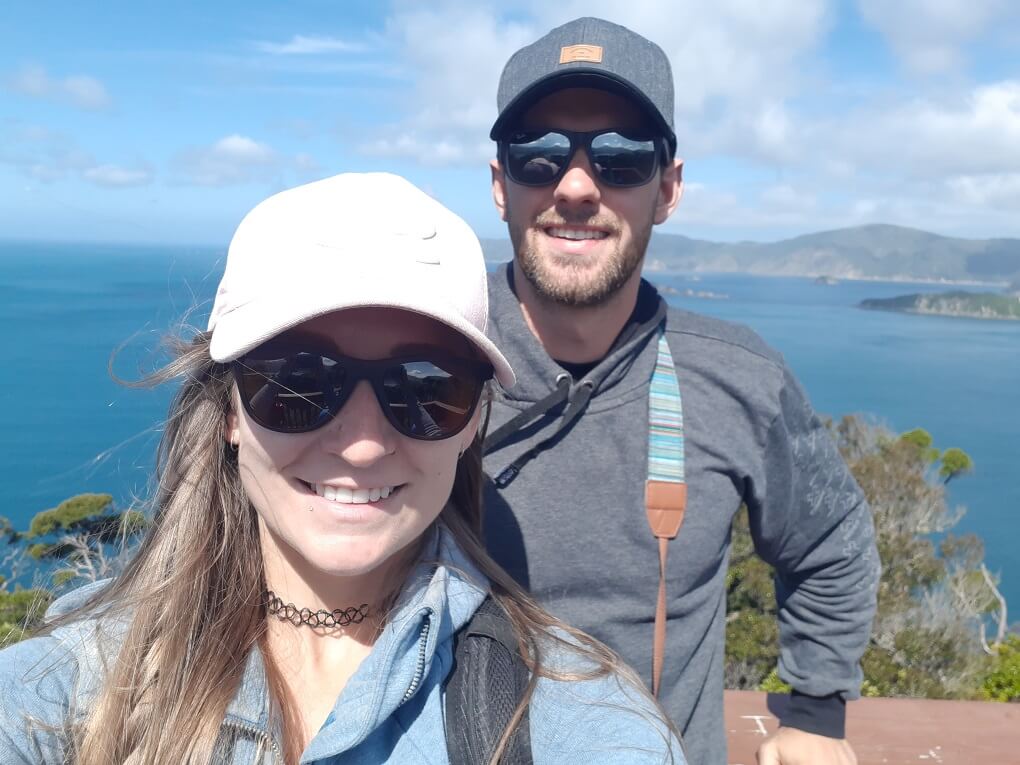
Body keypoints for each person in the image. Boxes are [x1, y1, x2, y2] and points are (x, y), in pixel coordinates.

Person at [0, 172, 685, 764]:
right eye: (299, 383)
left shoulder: (581, 724)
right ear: (229, 408)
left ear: (474, 420)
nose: (361, 444)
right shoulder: (57, 695)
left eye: (425, 389)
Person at [481, 17, 880, 765]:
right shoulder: (431, 360)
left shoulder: (738, 377)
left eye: (621, 158)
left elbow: (832, 541)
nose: (576, 186)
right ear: (502, 186)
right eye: (539, 155)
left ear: (667, 189)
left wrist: (815, 715)